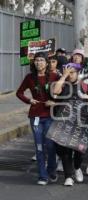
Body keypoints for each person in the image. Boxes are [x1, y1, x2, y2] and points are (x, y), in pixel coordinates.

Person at [16, 52, 59, 185]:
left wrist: (55, 102)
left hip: (50, 116)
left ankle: (51, 170)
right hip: (35, 116)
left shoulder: (54, 76)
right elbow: (19, 92)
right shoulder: (29, 77)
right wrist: (29, 100)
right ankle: (42, 175)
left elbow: (64, 94)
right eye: (36, 60)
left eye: (41, 60)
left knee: (51, 146)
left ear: (47, 63)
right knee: (39, 147)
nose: (38, 62)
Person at [52, 63, 88, 186]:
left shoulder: (85, 86)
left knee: (80, 151)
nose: (70, 75)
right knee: (65, 151)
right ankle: (68, 176)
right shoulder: (62, 84)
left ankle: (77, 167)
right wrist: (63, 76)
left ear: (78, 73)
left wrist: (87, 97)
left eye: (72, 72)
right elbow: (55, 91)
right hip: (64, 122)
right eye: (68, 72)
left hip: (81, 123)